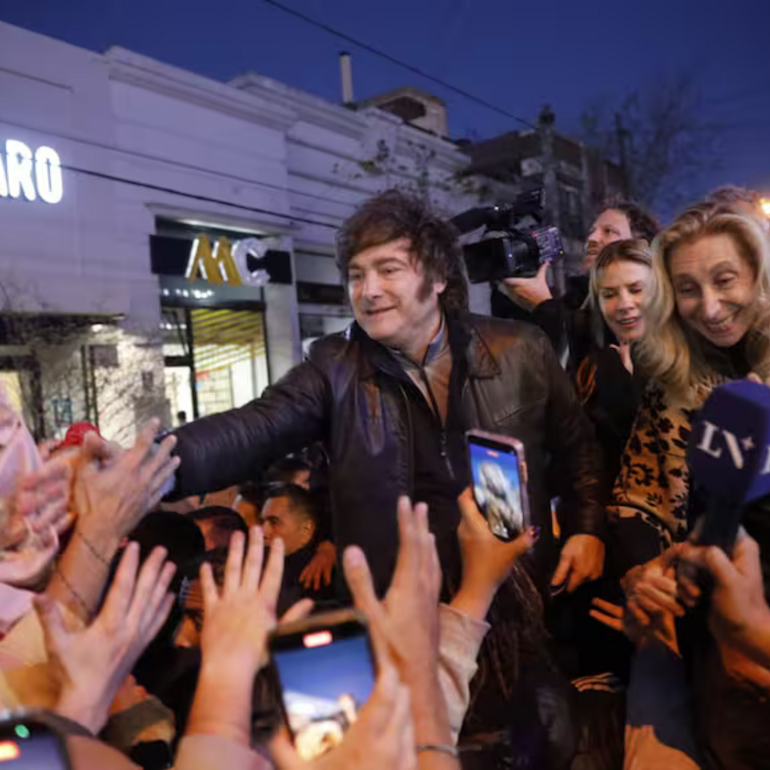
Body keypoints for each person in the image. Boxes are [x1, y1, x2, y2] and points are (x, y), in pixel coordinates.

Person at [169, 189, 605, 606]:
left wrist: (588, 528)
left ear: (437, 278)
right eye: (357, 275)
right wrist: (160, 463)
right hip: (400, 613)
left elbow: (577, 448)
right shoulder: (333, 366)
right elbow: (255, 427)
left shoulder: (520, 348)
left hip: (515, 596)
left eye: (389, 269)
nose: (368, 290)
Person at [601, 202, 770, 767]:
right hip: (709, 643)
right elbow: (637, 499)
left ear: (761, 275)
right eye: (688, 289)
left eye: (725, 281)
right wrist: (649, 575)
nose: (711, 307)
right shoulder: (671, 378)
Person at [496, 198, 659, 360]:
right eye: (592, 231)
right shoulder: (575, 302)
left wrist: (545, 307)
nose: (592, 239)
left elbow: (595, 367)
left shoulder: (654, 309)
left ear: (639, 247)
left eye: (608, 231)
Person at [261, 484, 336, 614]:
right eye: (262, 522)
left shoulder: (317, 581)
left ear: (306, 530)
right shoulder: (261, 572)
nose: (264, 532)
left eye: (274, 522)